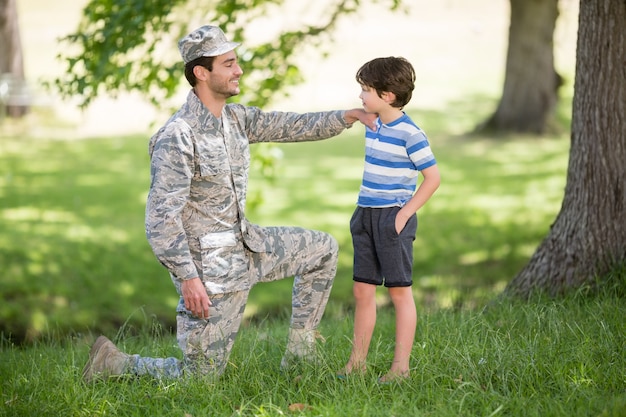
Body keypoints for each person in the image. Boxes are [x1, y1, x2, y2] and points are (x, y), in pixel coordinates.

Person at [82, 25, 376, 382]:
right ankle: (114, 363)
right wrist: (188, 278)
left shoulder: (236, 118)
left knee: (322, 250)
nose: (238, 70)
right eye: (229, 63)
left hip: (247, 245)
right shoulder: (178, 137)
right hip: (211, 270)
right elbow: (160, 220)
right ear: (201, 73)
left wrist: (348, 117)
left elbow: (290, 125)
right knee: (200, 379)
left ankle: (300, 357)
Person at [338, 57, 440, 383]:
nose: (360, 96)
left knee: (399, 293)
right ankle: (357, 363)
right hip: (364, 214)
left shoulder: (411, 133)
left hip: (392, 218)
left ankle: (401, 369)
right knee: (362, 291)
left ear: (388, 95)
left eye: (366, 90)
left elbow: (433, 178)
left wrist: (404, 214)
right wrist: (358, 114)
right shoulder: (374, 122)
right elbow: (355, 113)